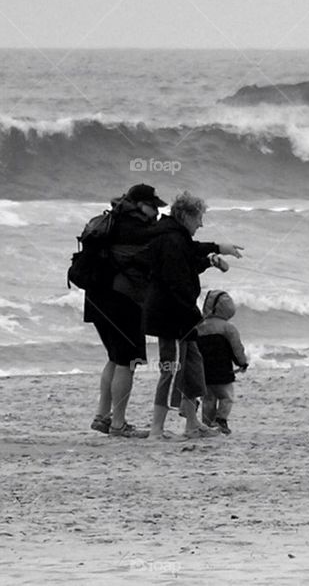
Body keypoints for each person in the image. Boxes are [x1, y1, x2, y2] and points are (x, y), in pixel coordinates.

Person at [143, 191, 243, 439]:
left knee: (194, 370)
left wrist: (211, 258)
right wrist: (191, 316)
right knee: (172, 369)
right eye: (199, 218)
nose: (201, 224)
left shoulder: (178, 236)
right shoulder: (170, 239)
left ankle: (192, 424)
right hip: (172, 318)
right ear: (186, 216)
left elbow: (190, 257)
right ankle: (156, 429)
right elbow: (175, 282)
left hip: (183, 316)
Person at [85, 183, 167, 438]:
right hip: (122, 299)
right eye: (153, 207)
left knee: (114, 357)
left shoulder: (112, 220)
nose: (156, 213)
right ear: (140, 204)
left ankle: (103, 416)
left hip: (96, 297)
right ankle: (118, 424)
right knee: (127, 362)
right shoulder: (137, 228)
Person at [196, 289, 249, 435]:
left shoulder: (199, 326)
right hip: (223, 372)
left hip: (204, 372)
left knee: (208, 398)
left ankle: (206, 423)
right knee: (227, 397)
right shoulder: (228, 328)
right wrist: (242, 363)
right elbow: (237, 348)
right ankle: (221, 420)